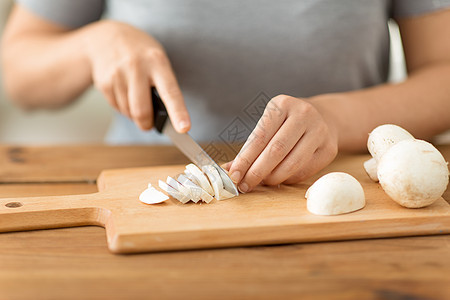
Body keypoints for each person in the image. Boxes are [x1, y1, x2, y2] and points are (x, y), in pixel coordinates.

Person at [2, 1, 450, 194]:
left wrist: (337, 119)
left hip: (339, 185)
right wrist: (89, 46)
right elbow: (16, 70)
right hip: (144, 179)